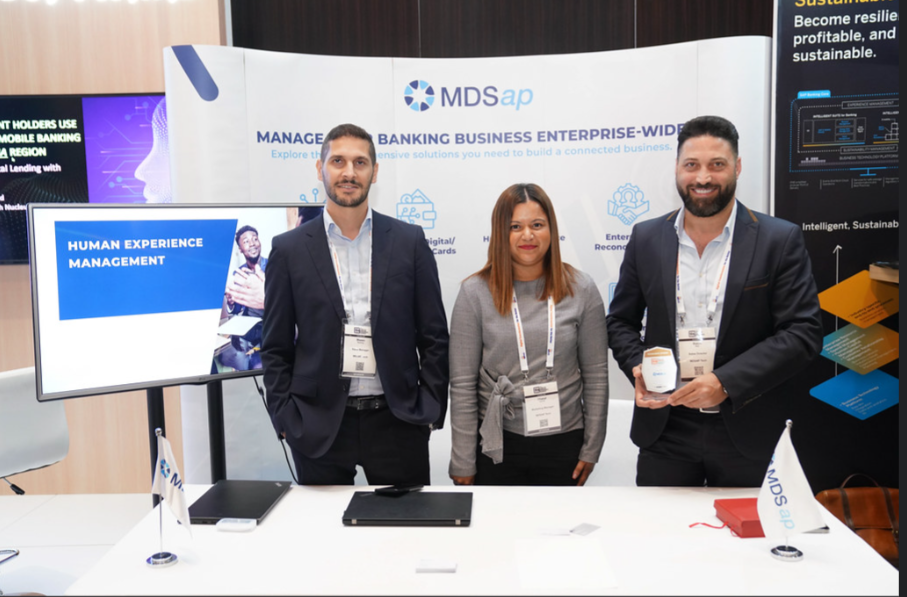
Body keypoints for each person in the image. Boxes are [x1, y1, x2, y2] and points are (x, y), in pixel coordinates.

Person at [607, 115, 823, 487]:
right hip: (665, 428)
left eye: (717, 165)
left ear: (737, 167)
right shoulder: (645, 238)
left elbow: (802, 333)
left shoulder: (778, 239)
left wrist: (725, 382)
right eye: (692, 165)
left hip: (746, 426)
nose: (703, 178)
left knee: (747, 544)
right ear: (677, 168)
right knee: (662, 539)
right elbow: (621, 321)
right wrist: (638, 367)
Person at [261, 123, 449, 486]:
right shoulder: (289, 250)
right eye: (338, 161)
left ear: (375, 172)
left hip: (397, 422)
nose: (349, 172)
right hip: (318, 427)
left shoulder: (409, 241)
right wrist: (286, 418)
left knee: (404, 537)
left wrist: (428, 408)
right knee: (325, 538)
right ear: (320, 169)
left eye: (360, 162)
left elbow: (434, 336)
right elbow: (275, 347)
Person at [448, 183, 609, 486]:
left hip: (565, 443)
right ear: (500, 233)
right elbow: (462, 385)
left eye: (537, 225)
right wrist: (462, 459)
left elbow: (597, 375)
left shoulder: (582, 288)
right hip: (497, 443)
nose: (528, 235)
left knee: (560, 532)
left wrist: (592, 448)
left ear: (551, 230)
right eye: (515, 226)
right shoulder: (474, 293)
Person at [221, 225, 266, 370]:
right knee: (228, 355)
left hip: (271, 327)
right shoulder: (239, 274)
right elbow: (236, 309)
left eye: (255, 239)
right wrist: (231, 302)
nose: (252, 243)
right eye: (246, 241)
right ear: (240, 249)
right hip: (248, 330)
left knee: (257, 366)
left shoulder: (275, 266)